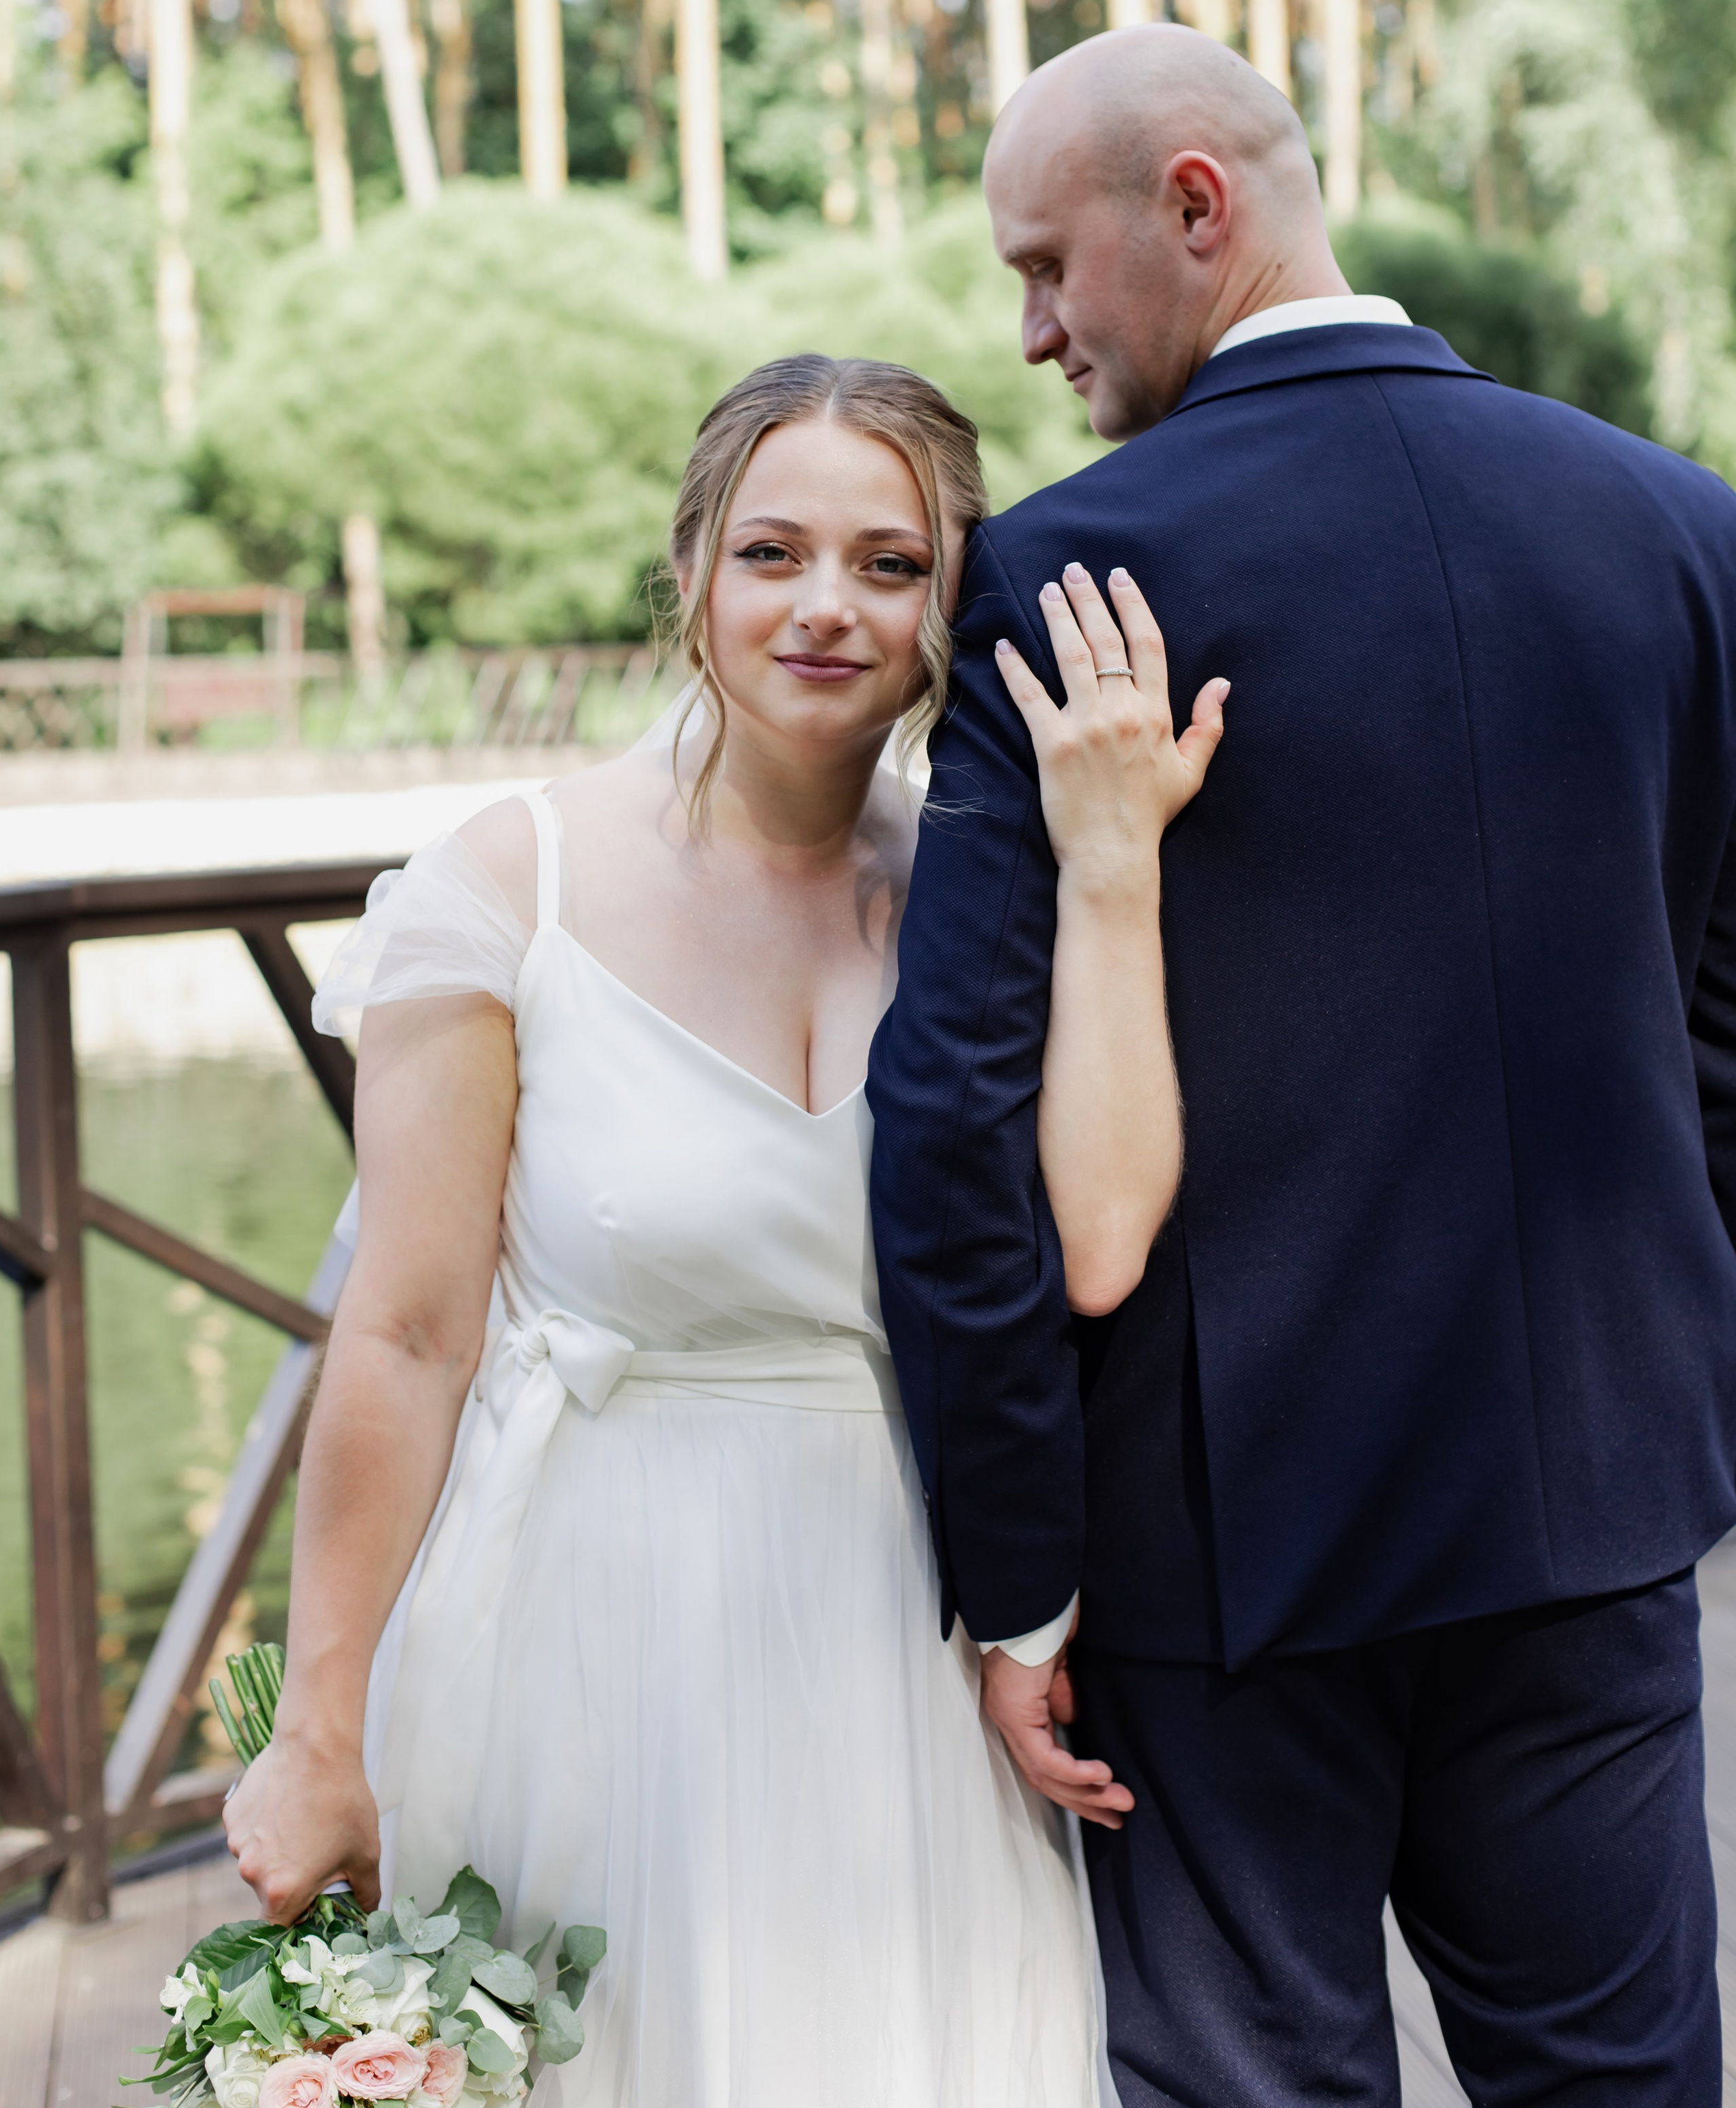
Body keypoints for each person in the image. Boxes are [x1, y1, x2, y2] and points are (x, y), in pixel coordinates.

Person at [869, 21, 1736, 2108]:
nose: (1034, 332)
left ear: (1195, 204)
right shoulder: (1684, 530)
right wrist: (1684, 1397)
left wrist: (1019, 1576)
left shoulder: (1071, 582)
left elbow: (956, 1134)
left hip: (1208, 1550)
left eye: (1045, 267)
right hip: (1596, 1522)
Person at [222, 352, 1227, 2107]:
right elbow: (403, 1333)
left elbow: (1097, 1237)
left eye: (890, 565)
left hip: (902, 1653)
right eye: (770, 554)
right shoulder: (504, 881)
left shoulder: (972, 897)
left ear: (946, 606)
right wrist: (319, 1724)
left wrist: (1115, 862)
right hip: (586, 1639)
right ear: (689, 570)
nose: (825, 607)